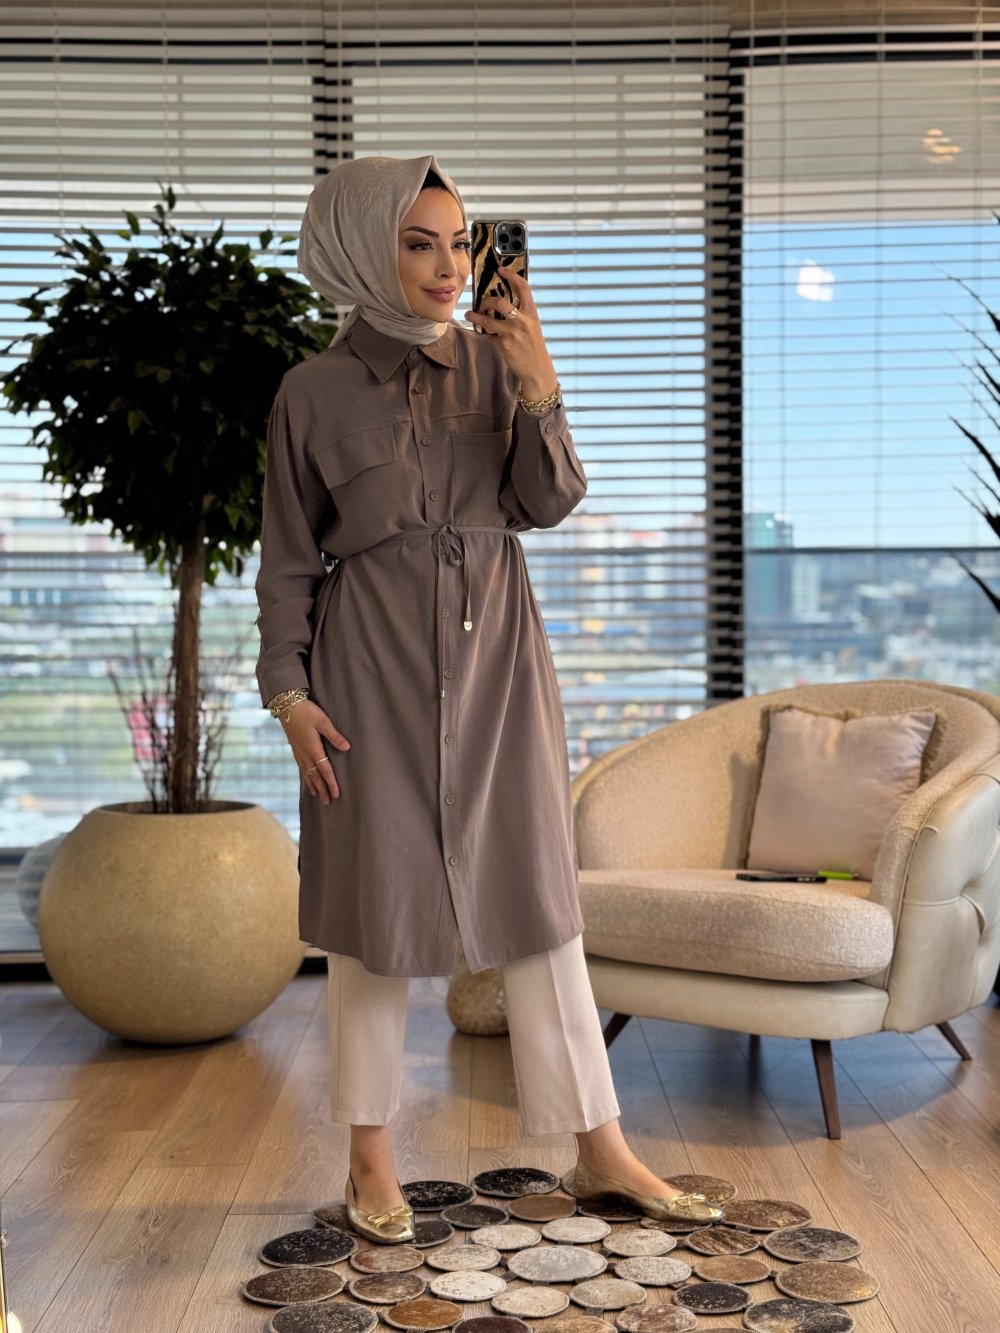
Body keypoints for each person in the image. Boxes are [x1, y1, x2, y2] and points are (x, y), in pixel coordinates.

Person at [254, 154, 722, 1244]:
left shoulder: (494, 360)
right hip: (366, 670)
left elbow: (549, 500)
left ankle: (599, 1145)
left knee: (539, 900)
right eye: (419, 243)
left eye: (460, 242)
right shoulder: (309, 393)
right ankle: (370, 1156)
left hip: (500, 664)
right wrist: (289, 694)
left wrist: (536, 374)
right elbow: (286, 562)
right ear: (361, 248)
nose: (449, 266)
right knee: (372, 915)